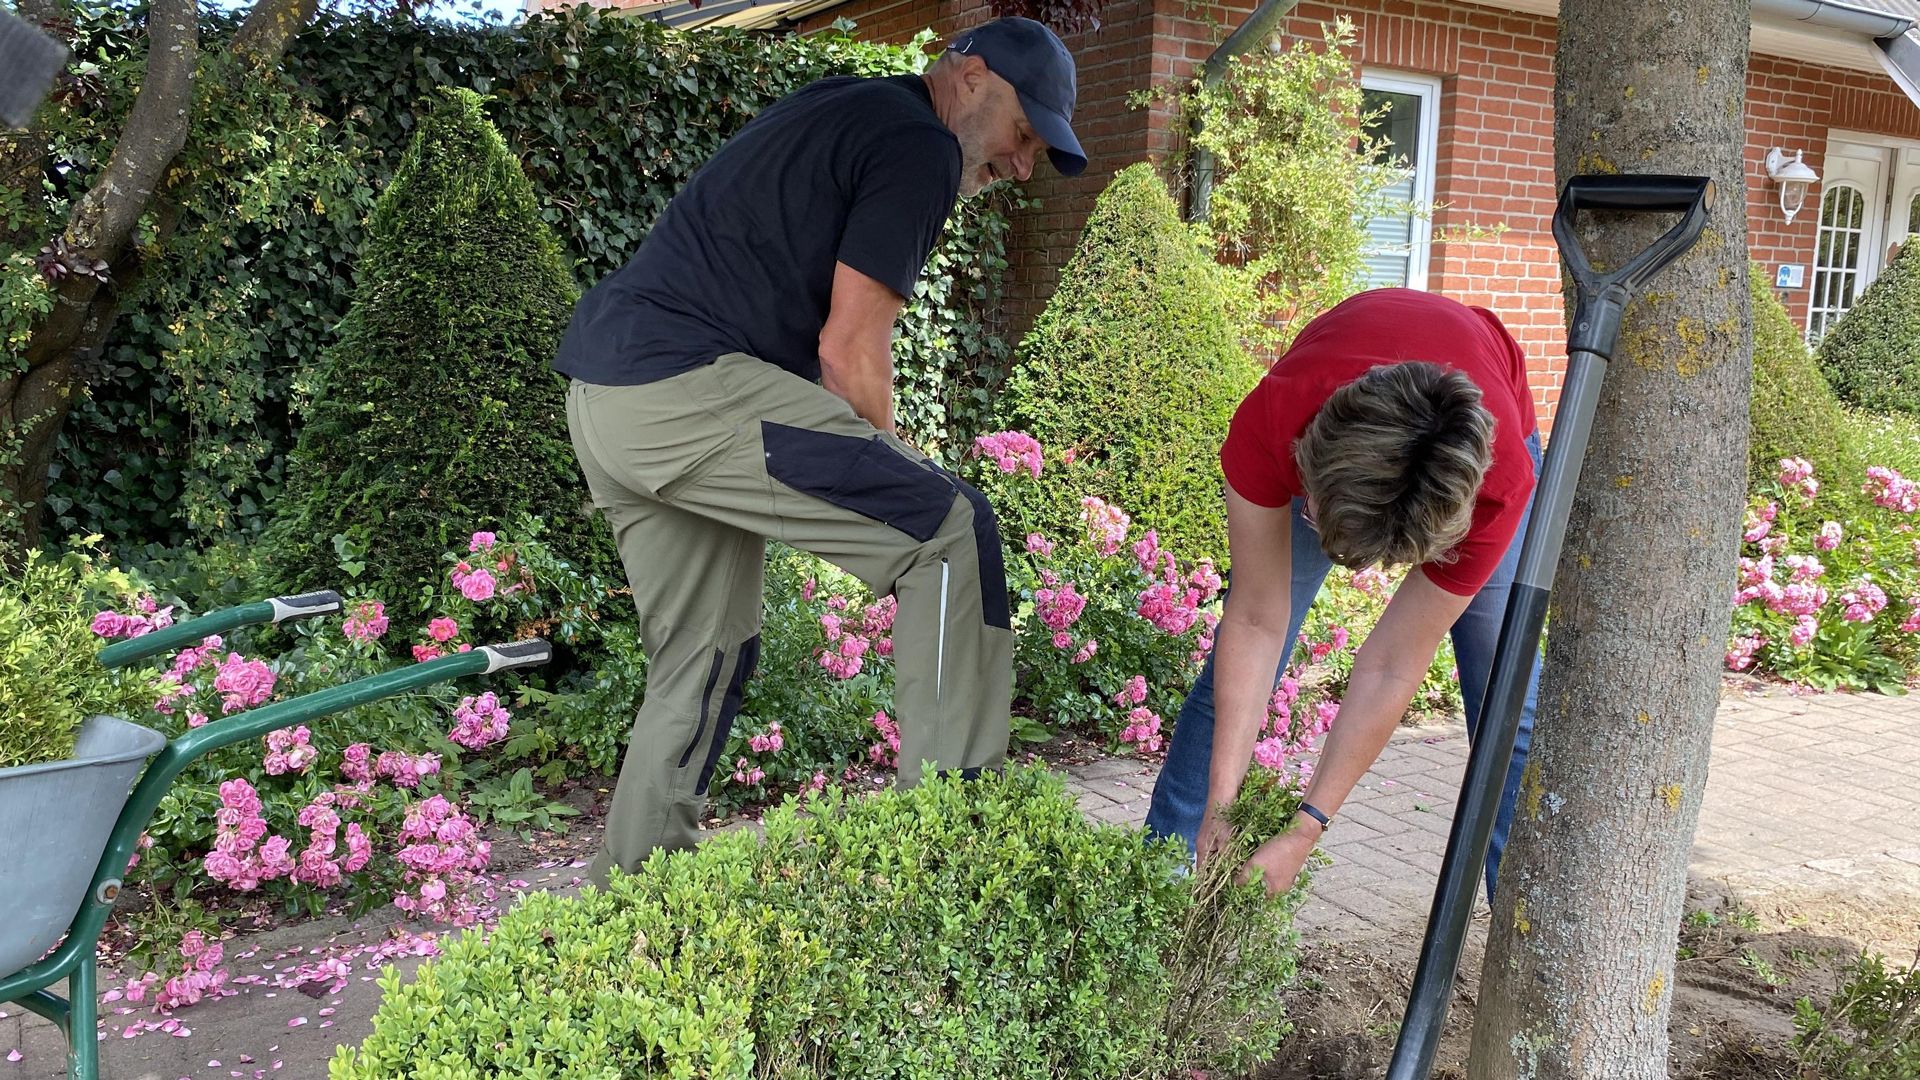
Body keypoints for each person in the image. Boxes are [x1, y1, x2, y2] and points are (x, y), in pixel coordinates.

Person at [553, 17, 1088, 886]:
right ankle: (952, 859)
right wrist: (897, 464)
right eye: (1023, 134)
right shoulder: (918, 141)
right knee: (949, 527)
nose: (1022, 166)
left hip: (609, 401)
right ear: (972, 78)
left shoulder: (845, 106)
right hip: (687, 390)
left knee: (705, 653)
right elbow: (848, 353)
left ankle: (634, 898)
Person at [1142, 287, 1544, 902]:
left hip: (1469, 449)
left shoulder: (1495, 483)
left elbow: (1392, 663)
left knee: (1504, 693)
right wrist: (1222, 807)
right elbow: (1255, 620)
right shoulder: (1276, 418)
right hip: (1333, 426)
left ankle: (1520, 934)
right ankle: (1163, 891)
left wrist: (1306, 828)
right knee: (1241, 653)